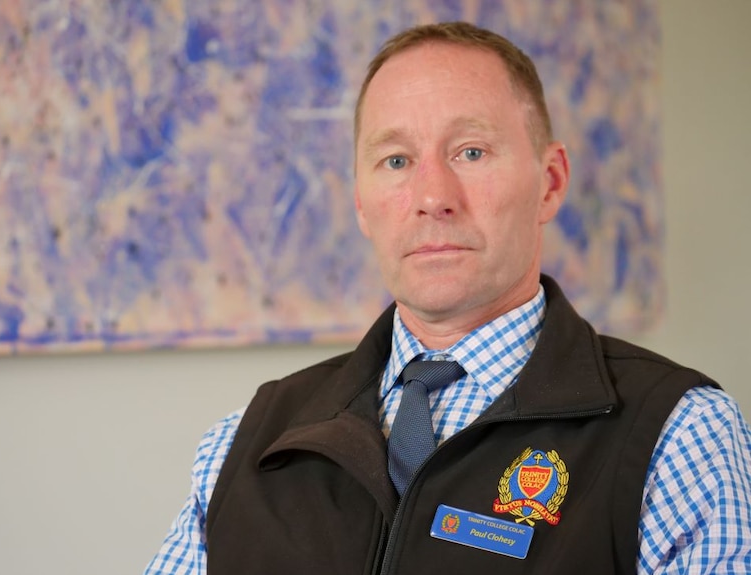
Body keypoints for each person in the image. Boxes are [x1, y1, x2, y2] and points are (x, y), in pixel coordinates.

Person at [144, 21, 751, 575]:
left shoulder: (680, 437)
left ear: (550, 183)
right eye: (396, 160)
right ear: (361, 202)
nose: (432, 195)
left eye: (471, 152)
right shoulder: (241, 445)